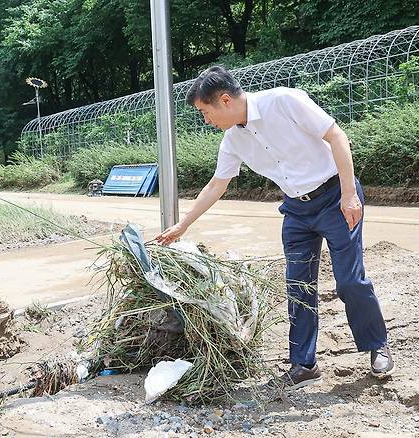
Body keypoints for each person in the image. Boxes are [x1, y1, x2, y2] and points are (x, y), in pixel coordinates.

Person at [155, 65, 393, 388]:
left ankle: (376, 344)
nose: (206, 121)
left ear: (224, 100)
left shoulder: (283, 101)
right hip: (296, 210)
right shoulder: (232, 141)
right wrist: (182, 225)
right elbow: (216, 185)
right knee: (298, 287)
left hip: (335, 196)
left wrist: (350, 194)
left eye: (205, 112)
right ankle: (304, 365)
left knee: (349, 281)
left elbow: (336, 136)